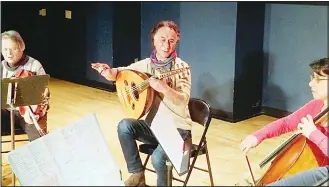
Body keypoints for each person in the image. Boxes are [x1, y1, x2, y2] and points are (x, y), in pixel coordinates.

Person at [91, 20, 193, 186]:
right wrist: (107, 71)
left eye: (171, 41)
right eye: (162, 39)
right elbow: (119, 74)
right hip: (155, 126)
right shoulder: (145, 64)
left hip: (178, 129)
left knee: (158, 157)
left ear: (176, 41)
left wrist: (165, 89)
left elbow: (183, 100)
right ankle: (137, 175)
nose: (166, 45)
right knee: (125, 126)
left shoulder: (182, 67)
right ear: (153, 39)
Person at [240, 57, 329, 186]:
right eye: (312, 77)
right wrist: (257, 136)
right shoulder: (317, 104)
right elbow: (286, 123)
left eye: (318, 79)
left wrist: (313, 133)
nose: (311, 84)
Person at [1, 30, 50, 141]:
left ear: (22, 48)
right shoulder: (1, 67)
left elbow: (44, 96)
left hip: (30, 113)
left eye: (13, 49)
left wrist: (37, 113)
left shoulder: (34, 65)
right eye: (5, 49)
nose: (9, 53)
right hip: (6, 112)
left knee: (39, 140)